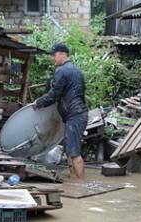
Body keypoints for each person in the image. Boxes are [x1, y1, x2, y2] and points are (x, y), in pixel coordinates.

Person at [33, 43, 88, 180]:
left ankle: (81, 185)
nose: (53, 58)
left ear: (63, 54)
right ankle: (74, 182)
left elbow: (54, 94)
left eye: (54, 54)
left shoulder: (62, 70)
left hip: (75, 114)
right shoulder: (75, 71)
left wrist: (39, 103)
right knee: (70, 150)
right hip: (77, 114)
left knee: (74, 152)